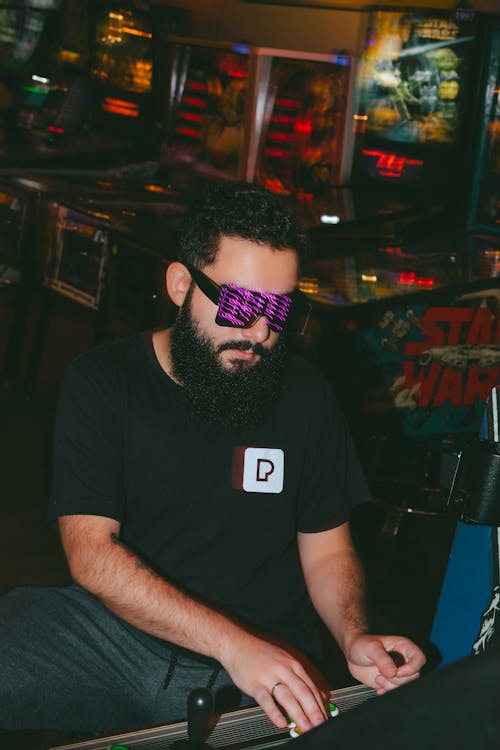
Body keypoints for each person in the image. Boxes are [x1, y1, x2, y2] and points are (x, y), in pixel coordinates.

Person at [0, 181, 425, 737]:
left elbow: (326, 552)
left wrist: (353, 637)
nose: (261, 331)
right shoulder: (104, 380)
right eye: (242, 304)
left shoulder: (306, 394)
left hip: (262, 659)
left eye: (278, 310)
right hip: (114, 635)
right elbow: (91, 555)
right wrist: (231, 643)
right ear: (181, 285)